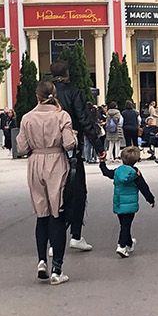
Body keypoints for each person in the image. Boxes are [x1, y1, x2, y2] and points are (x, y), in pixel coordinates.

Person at [17, 81, 75, 284]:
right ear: (54, 94)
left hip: (35, 162)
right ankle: (57, 268)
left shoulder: (27, 118)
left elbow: (21, 148)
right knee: (57, 213)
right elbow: (69, 143)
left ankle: (42, 259)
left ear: (37, 96)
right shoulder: (61, 115)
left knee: (41, 213)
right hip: (56, 161)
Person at [49, 58, 98, 252]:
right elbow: (84, 120)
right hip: (72, 150)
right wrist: (98, 146)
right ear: (67, 73)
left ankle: (54, 240)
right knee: (78, 192)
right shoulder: (73, 92)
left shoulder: (46, 94)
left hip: (50, 151)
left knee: (55, 193)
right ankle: (75, 235)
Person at [98, 146, 156, 258]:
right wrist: (150, 199)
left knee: (124, 224)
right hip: (130, 205)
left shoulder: (117, 171)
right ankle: (121, 245)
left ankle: (129, 243)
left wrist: (102, 162)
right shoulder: (136, 174)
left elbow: (106, 172)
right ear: (136, 160)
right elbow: (143, 187)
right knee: (126, 225)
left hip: (119, 203)